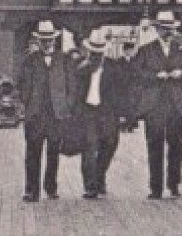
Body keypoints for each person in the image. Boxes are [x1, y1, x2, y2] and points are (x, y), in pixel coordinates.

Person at [131, 10, 182, 199]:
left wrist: (180, 73)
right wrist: (154, 76)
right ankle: (155, 187)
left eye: (170, 29)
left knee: (176, 145)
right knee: (154, 145)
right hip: (154, 104)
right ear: (156, 30)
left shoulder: (181, 50)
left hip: (175, 103)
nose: (167, 33)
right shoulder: (146, 49)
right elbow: (135, 73)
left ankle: (174, 184)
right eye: (163, 29)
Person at [16, 19, 77, 202]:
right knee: (32, 153)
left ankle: (51, 188)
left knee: (53, 153)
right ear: (38, 41)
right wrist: (27, 103)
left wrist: (67, 105)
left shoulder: (63, 59)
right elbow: (22, 84)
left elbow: (72, 85)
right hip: (35, 115)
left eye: (49, 39)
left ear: (54, 39)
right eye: (43, 39)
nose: (47, 42)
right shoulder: (30, 61)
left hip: (57, 115)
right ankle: (31, 190)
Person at [75, 27, 132, 199]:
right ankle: (90, 186)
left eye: (99, 53)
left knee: (109, 145)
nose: (96, 56)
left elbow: (123, 91)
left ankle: (100, 177)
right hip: (88, 112)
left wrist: (124, 114)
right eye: (93, 52)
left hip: (108, 112)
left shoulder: (114, 68)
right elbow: (75, 91)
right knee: (89, 147)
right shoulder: (82, 69)